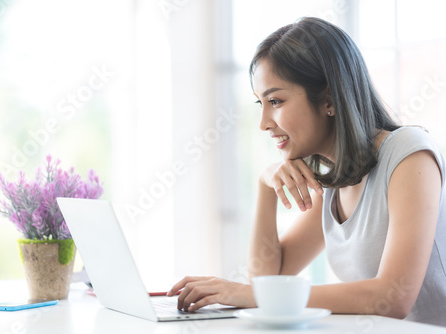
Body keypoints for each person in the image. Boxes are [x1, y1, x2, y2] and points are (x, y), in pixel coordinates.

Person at [167, 17, 446, 326]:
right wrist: (265, 186)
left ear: (328, 99)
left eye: (275, 100)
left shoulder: (409, 154)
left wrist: (251, 295)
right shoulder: (336, 182)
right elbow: (268, 277)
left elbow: (393, 297)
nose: (263, 123)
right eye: (260, 102)